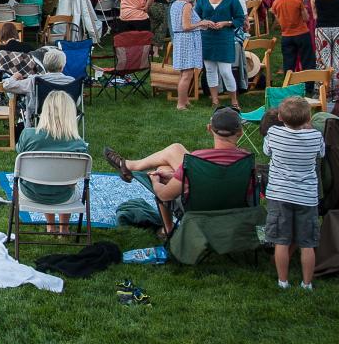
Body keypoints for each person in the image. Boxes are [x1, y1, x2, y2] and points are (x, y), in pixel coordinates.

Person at [103, 107, 250, 236]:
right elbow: (223, 180)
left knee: (162, 170)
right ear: (240, 132)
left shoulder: (196, 160)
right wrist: (177, 176)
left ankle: (168, 229)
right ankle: (129, 165)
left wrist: (156, 180)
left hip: (199, 211)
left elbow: (164, 195)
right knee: (172, 160)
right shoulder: (248, 161)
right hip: (234, 213)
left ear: (209, 129)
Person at [263, 95, 323, 291]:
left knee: (281, 241)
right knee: (307, 243)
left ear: (280, 117)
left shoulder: (273, 133)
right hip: (306, 196)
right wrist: (308, 130)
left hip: (279, 194)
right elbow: (321, 154)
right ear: (308, 119)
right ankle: (307, 283)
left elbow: (267, 152)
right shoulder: (315, 136)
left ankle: (283, 281)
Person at [15, 91, 88, 234]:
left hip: (30, 193)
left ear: (45, 110)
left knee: (44, 176)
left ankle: (51, 226)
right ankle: (64, 228)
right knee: (68, 182)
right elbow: (74, 181)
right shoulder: (78, 144)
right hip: (64, 197)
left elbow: (19, 154)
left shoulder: (28, 135)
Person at [195, 0, 244, 109]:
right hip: (207, 38)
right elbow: (196, 18)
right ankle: (215, 100)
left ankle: (234, 100)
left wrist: (226, 23)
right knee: (210, 70)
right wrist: (204, 22)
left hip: (224, 38)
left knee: (226, 71)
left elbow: (240, 18)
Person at [168, 0, 203, 110]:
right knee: (187, 73)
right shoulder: (186, 5)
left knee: (184, 73)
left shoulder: (174, 4)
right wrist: (201, 23)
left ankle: (185, 100)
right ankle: (181, 104)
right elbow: (186, 26)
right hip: (186, 39)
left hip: (179, 38)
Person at [269, 0, 313, 75]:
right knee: (307, 61)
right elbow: (306, 18)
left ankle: (288, 84)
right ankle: (308, 84)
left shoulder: (276, 3)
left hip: (286, 35)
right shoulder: (297, 1)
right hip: (301, 33)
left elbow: (277, 18)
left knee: (288, 63)